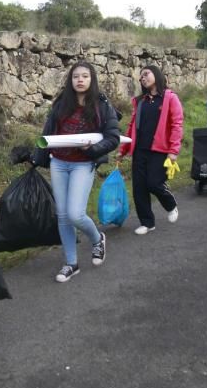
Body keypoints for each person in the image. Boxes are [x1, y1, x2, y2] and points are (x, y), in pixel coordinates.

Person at [31, 61, 120, 282]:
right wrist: (37, 156)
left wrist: (92, 149)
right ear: (71, 80)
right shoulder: (61, 102)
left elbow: (113, 138)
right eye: (76, 76)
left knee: (75, 214)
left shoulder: (101, 104)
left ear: (92, 80)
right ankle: (71, 263)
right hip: (59, 162)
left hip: (83, 163)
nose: (80, 80)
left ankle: (97, 238)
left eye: (85, 76)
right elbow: (49, 131)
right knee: (62, 216)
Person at [117, 64, 183, 234]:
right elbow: (132, 126)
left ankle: (170, 204)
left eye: (146, 74)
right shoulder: (139, 101)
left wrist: (173, 150)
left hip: (160, 151)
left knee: (154, 183)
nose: (143, 78)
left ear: (157, 75)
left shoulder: (170, 98)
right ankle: (147, 222)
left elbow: (177, 125)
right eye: (141, 77)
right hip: (140, 150)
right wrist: (123, 149)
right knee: (139, 188)